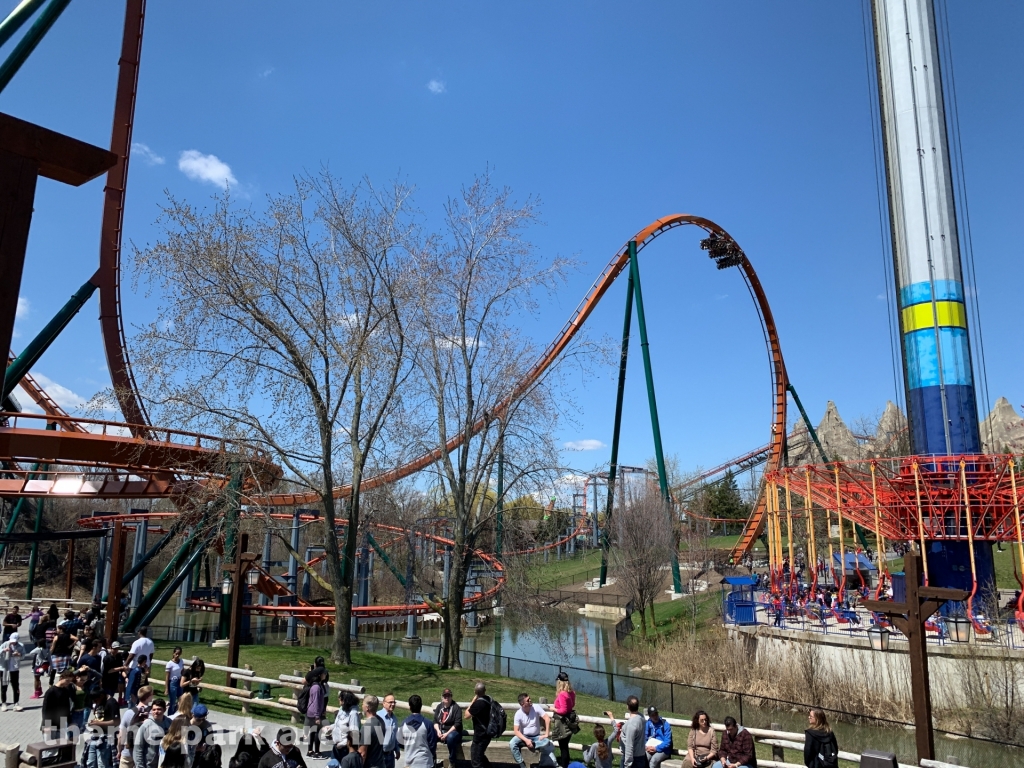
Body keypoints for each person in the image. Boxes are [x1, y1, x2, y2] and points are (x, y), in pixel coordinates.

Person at [510, 692, 555, 768]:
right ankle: (521, 764)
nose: (530, 700)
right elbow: (516, 731)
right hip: (524, 737)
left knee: (547, 742)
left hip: (536, 737)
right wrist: (526, 740)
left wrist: (546, 734)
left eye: (530, 698)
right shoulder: (518, 714)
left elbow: (547, 718)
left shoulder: (536, 707)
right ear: (522, 704)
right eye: (528, 700)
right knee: (512, 743)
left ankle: (534, 745)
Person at [118, 686, 155, 768]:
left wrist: (119, 750)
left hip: (128, 752)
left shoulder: (128, 713)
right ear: (149, 696)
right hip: (144, 753)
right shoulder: (153, 714)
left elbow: (121, 735)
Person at [83, 686, 120, 768]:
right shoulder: (99, 703)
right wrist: (94, 722)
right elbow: (99, 717)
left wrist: (99, 723)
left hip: (106, 738)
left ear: (102, 696)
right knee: (90, 762)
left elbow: (116, 721)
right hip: (95, 736)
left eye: (96, 700)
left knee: (102, 764)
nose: (95, 702)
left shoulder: (112, 703)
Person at [399, 694, 437, 768]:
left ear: (410, 707)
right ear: (421, 706)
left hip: (409, 763)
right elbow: (432, 743)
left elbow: (399, 742)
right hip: (425, 762)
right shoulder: (428, 724)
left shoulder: (404, 724)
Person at [550, 672, 577, 768]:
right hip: (570, 721)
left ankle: (565, 765)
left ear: (559, 682)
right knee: (565, 746)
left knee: (563, 748)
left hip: (563, 723)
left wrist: (553, 709)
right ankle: (566, 765)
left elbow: (563, 710)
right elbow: (572, 705)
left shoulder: (562, 694)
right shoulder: (571, 692)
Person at [133, 698, 171, 768]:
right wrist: (140, 766)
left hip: (165, 764)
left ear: (164, 710)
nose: (156, 712)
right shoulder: (146, 725)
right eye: (154, 709)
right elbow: (138, 748)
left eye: (159, 709)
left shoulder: (169, 723)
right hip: (149, 765)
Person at [464, 682, 493, 768]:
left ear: (475, 692)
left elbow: (466, 715)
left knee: (476, 760)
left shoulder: (478, 704)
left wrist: (473, 701)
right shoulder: (489, 699)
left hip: (480, 736)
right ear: (485, 690)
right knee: (480, 755)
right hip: (488, 732)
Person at [41, 670, 76, 740]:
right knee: (49, 747)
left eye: (70, 681)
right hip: (50, 723)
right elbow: (45, 709)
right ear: (61, 678)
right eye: (67, 680)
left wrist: (70, 722)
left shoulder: (66, 691)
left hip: (61, 722)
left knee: (59, 745)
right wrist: (46, 725)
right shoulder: (51, 691)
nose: (68, 683)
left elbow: (67, 708)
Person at [433, 688, 463, 764]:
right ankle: (432, 759)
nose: (447, 698)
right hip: (441, 731)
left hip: (454, 732)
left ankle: (452, 761)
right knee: (431, 734)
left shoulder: (456, 708)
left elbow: (457, 724)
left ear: (451, 697)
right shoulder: (439, 707)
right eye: (445, 696)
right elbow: (435, 721)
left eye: (448, 696)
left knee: (450, 738)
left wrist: (446, 734)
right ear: (442, 697)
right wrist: (438, 731)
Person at [331, 691, 361, 761]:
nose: (339, 699)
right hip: (336, 746)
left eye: (340, 698)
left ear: (345, 701)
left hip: (344, 749)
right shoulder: (342, 709)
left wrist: (342, 744)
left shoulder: (353, 714)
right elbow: (338, 724)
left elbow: (354, 735)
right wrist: (330, 727)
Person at [303, 669, 326, 759]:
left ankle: (310, 751)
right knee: (317, 732)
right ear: (319, 675)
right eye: (324, 673)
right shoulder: (316, 687)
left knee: (313, 732)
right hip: (314, 713)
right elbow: (316, 702)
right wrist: (317, 716)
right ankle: (316, 752)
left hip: (312, 712)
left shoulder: (316, 685)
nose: (325, 674)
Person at [0, 631, 25, 711]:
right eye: (12, 641)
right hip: (4, 668)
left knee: (15, 686)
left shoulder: (21, 646)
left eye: (14, 642)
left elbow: (23, 655)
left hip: (14, 668)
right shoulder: (5, 644)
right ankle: (4, 703)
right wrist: (4, 650)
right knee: (4, 686)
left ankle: (16, 703)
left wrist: (19, 655)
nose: (13, 643)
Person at [358, 695, 385, 768]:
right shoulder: (381, 721)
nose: (362, 706)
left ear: (367, 708)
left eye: (363, 704)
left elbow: (362, 753)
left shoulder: (367, 727)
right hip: (380, 764)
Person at [619, 697, 646, 768]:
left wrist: (627, 764)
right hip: (641, 756)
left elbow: (629, 746)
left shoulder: (630, 724)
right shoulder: (641, 717)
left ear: (627, 706)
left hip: (633, 760)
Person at [379, 694, 399, 768]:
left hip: (391, 755)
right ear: (384, 703)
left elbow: (395, 735)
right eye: (390, 702)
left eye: (394, 702)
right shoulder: (378, 717)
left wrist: (397, 749)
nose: (393, 704)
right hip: (380, 755)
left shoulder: (394, 718)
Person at [165, 647, 184, 715]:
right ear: (173, 653)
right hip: (172, 682)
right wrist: (166, 689)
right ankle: (170, 716)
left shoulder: (181, 661)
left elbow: (182, 671)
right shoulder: (170, 664)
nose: (177, 655)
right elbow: (167, 677)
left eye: (179, 654)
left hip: (179, 681)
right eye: (176, 654)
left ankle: (176, 714)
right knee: (172, 701)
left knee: (181, 700)